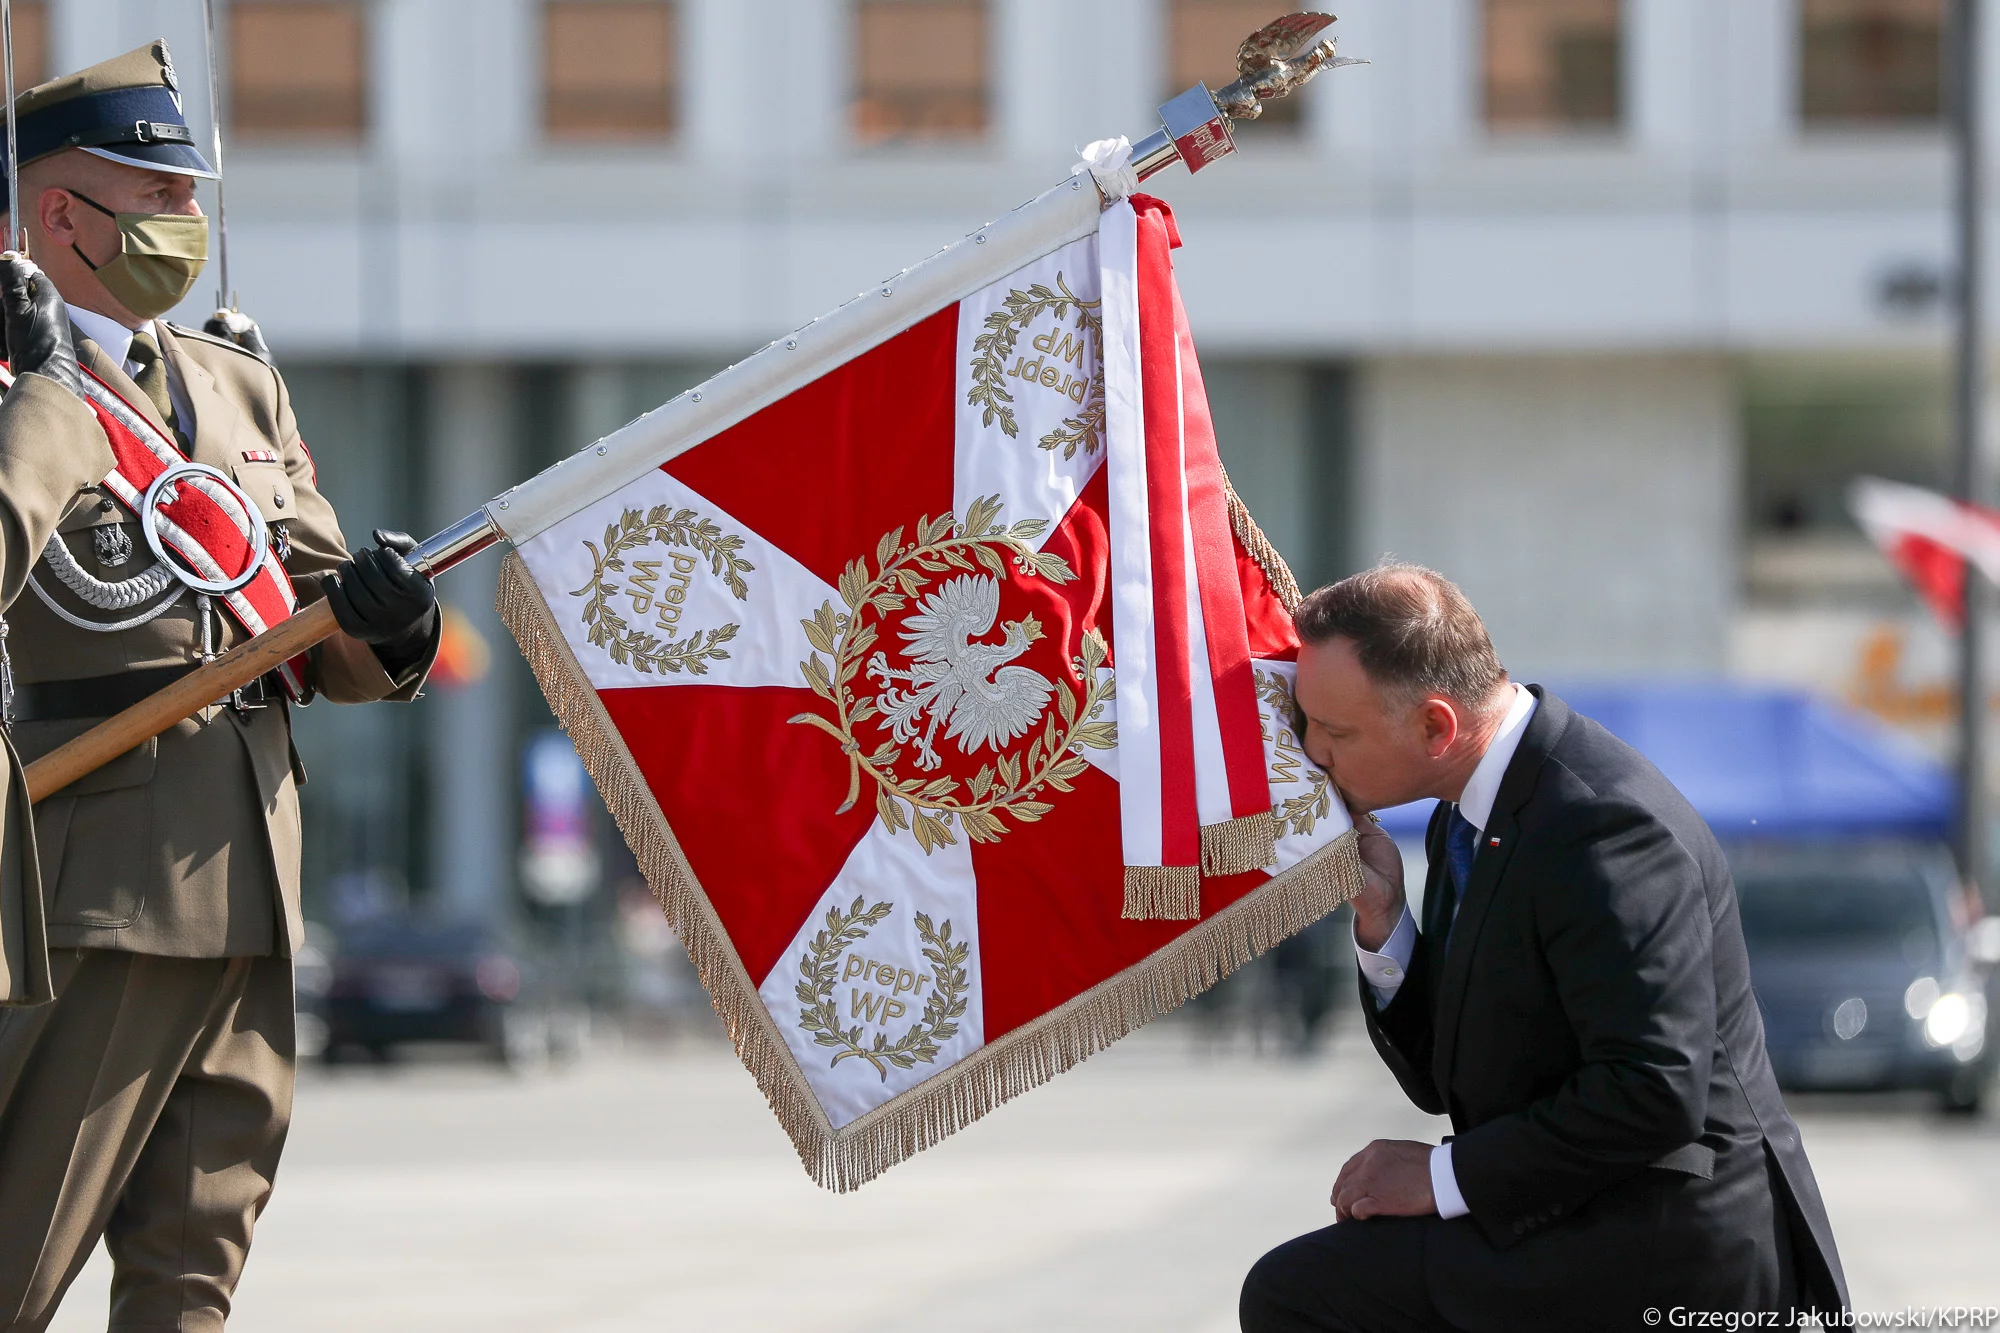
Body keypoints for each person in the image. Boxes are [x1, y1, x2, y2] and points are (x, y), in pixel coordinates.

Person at [0, 42, 440, 1331]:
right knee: (18, 1261)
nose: (186, 221)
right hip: (96, 890)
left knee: (195, 1276)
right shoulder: (17, 384)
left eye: (194, 193)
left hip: (255, 885)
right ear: (58, 215)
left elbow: (311, 635)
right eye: (155, 194)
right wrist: (39, 400)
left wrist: (388, 628)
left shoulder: (233, 380)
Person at [1239, 564, 1848, 1332]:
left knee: (1299, 1292)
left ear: (1435, 726)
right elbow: (1446, 1077)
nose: (1314, 754)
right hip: (1577, 1214)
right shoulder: (1466, 811)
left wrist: (1440, 1173)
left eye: (1336, 731)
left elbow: (1653, 1091)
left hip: (1672, 1247)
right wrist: (1384, 916)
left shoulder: (1601, 826)